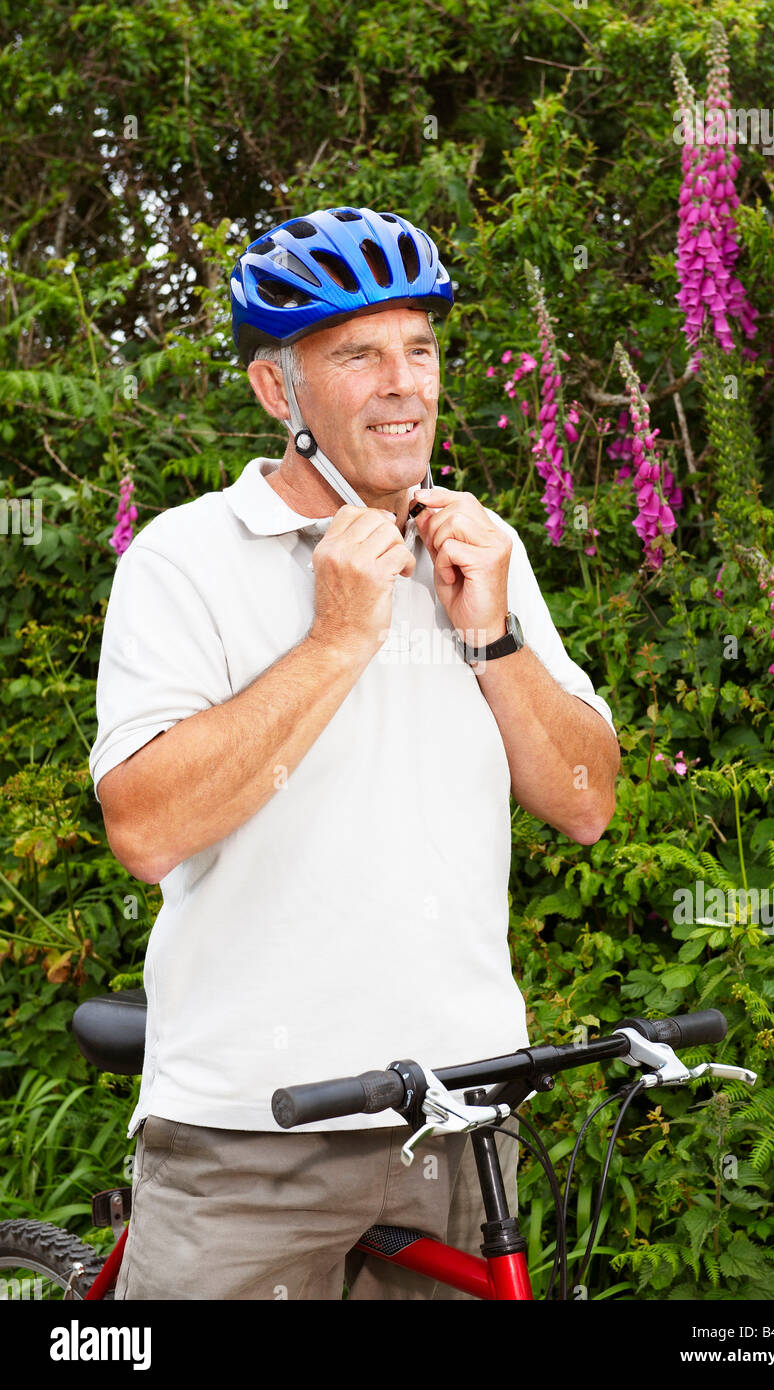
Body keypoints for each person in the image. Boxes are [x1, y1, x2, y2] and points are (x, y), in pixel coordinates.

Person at [88, 205, 620, 1299]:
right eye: (359, 354)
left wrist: (493, 635)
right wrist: (336, 635)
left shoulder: (480, 547)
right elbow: (144, 828)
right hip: (249, 1133)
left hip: (459, 1121)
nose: (404, 385)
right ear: (279, 392)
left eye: (419, 349)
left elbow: (583, 802)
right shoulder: (184, 558)